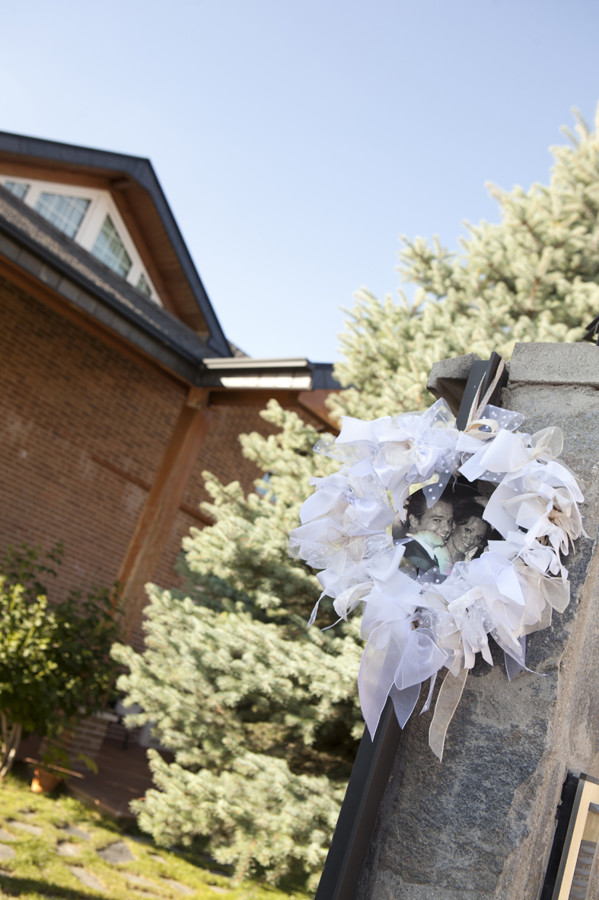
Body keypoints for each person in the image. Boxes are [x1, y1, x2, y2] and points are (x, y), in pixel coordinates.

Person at [400, 489, 454, 576]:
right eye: (437, 520)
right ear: (414, 520)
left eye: (449, 521)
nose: (447, 528)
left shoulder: (425, 553)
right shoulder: (414, 557)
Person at [436, 499, 489, 573]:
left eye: (478, 538)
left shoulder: (473, 568)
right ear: (454, 525)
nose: (471, 541)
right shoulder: (431, 554)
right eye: (468, 531)